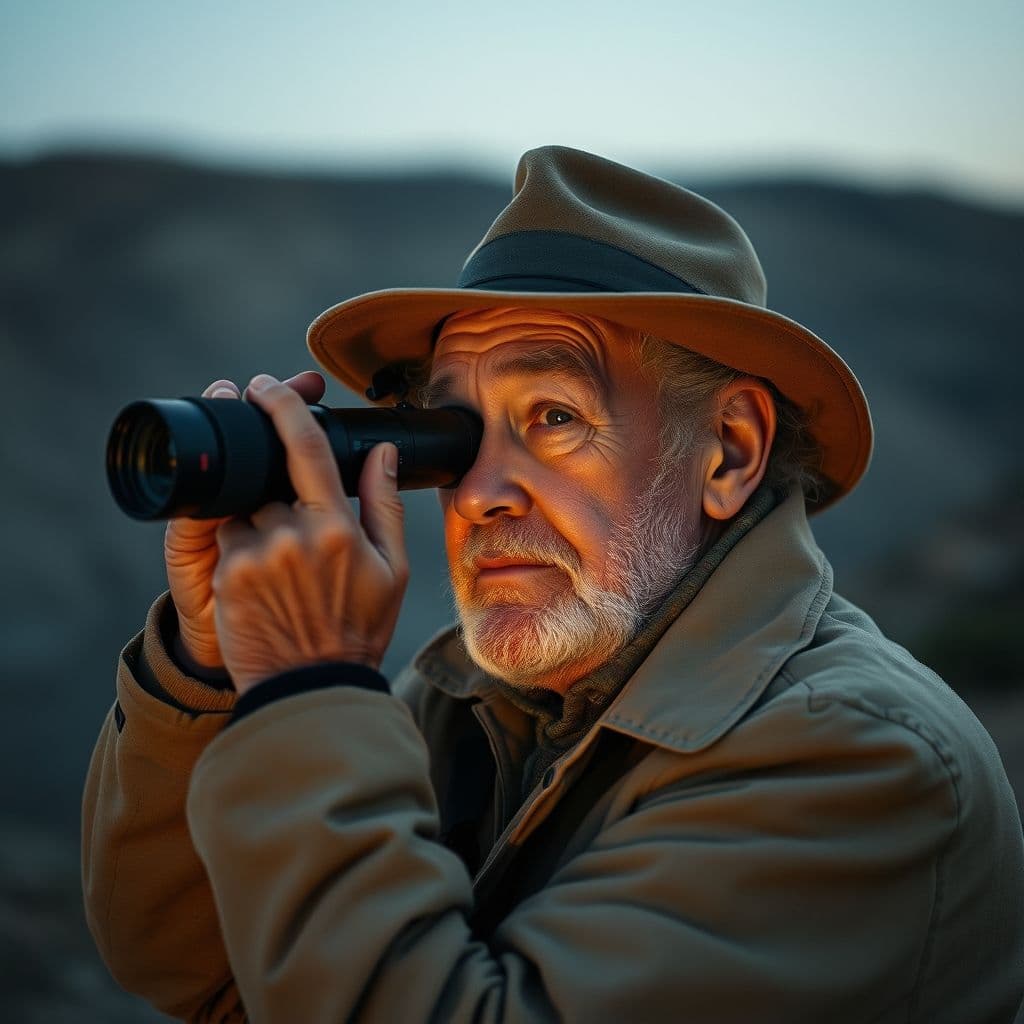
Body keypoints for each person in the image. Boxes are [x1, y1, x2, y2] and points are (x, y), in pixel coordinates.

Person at [83, 146, 1024, 1022]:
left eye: (553, 416)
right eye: (450, 437)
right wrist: (212, 675)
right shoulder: (462, 705)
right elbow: (195, 970)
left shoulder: (858, 760)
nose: (481, 492)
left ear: (729, 452)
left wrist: (310, 693)